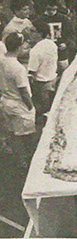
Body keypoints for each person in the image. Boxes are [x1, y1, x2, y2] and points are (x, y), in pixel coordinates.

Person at [0, 32, 36, 168]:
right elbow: (23, 91)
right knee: (27, 135)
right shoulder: (18, 68)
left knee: (14, 133)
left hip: (6, 100)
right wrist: (30, 106)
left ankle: (20, 159)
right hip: (19, 103)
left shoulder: (2, 61)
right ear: (18, 47)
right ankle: (27, 160)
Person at [28, 21, 58, 126]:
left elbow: (32, 71)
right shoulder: (52, 44)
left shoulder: (35, 51)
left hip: (40, 83)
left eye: (33, 31)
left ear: (40, 33)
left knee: (41, 106)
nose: (30, 34)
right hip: (52, 78)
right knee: (50, 105)